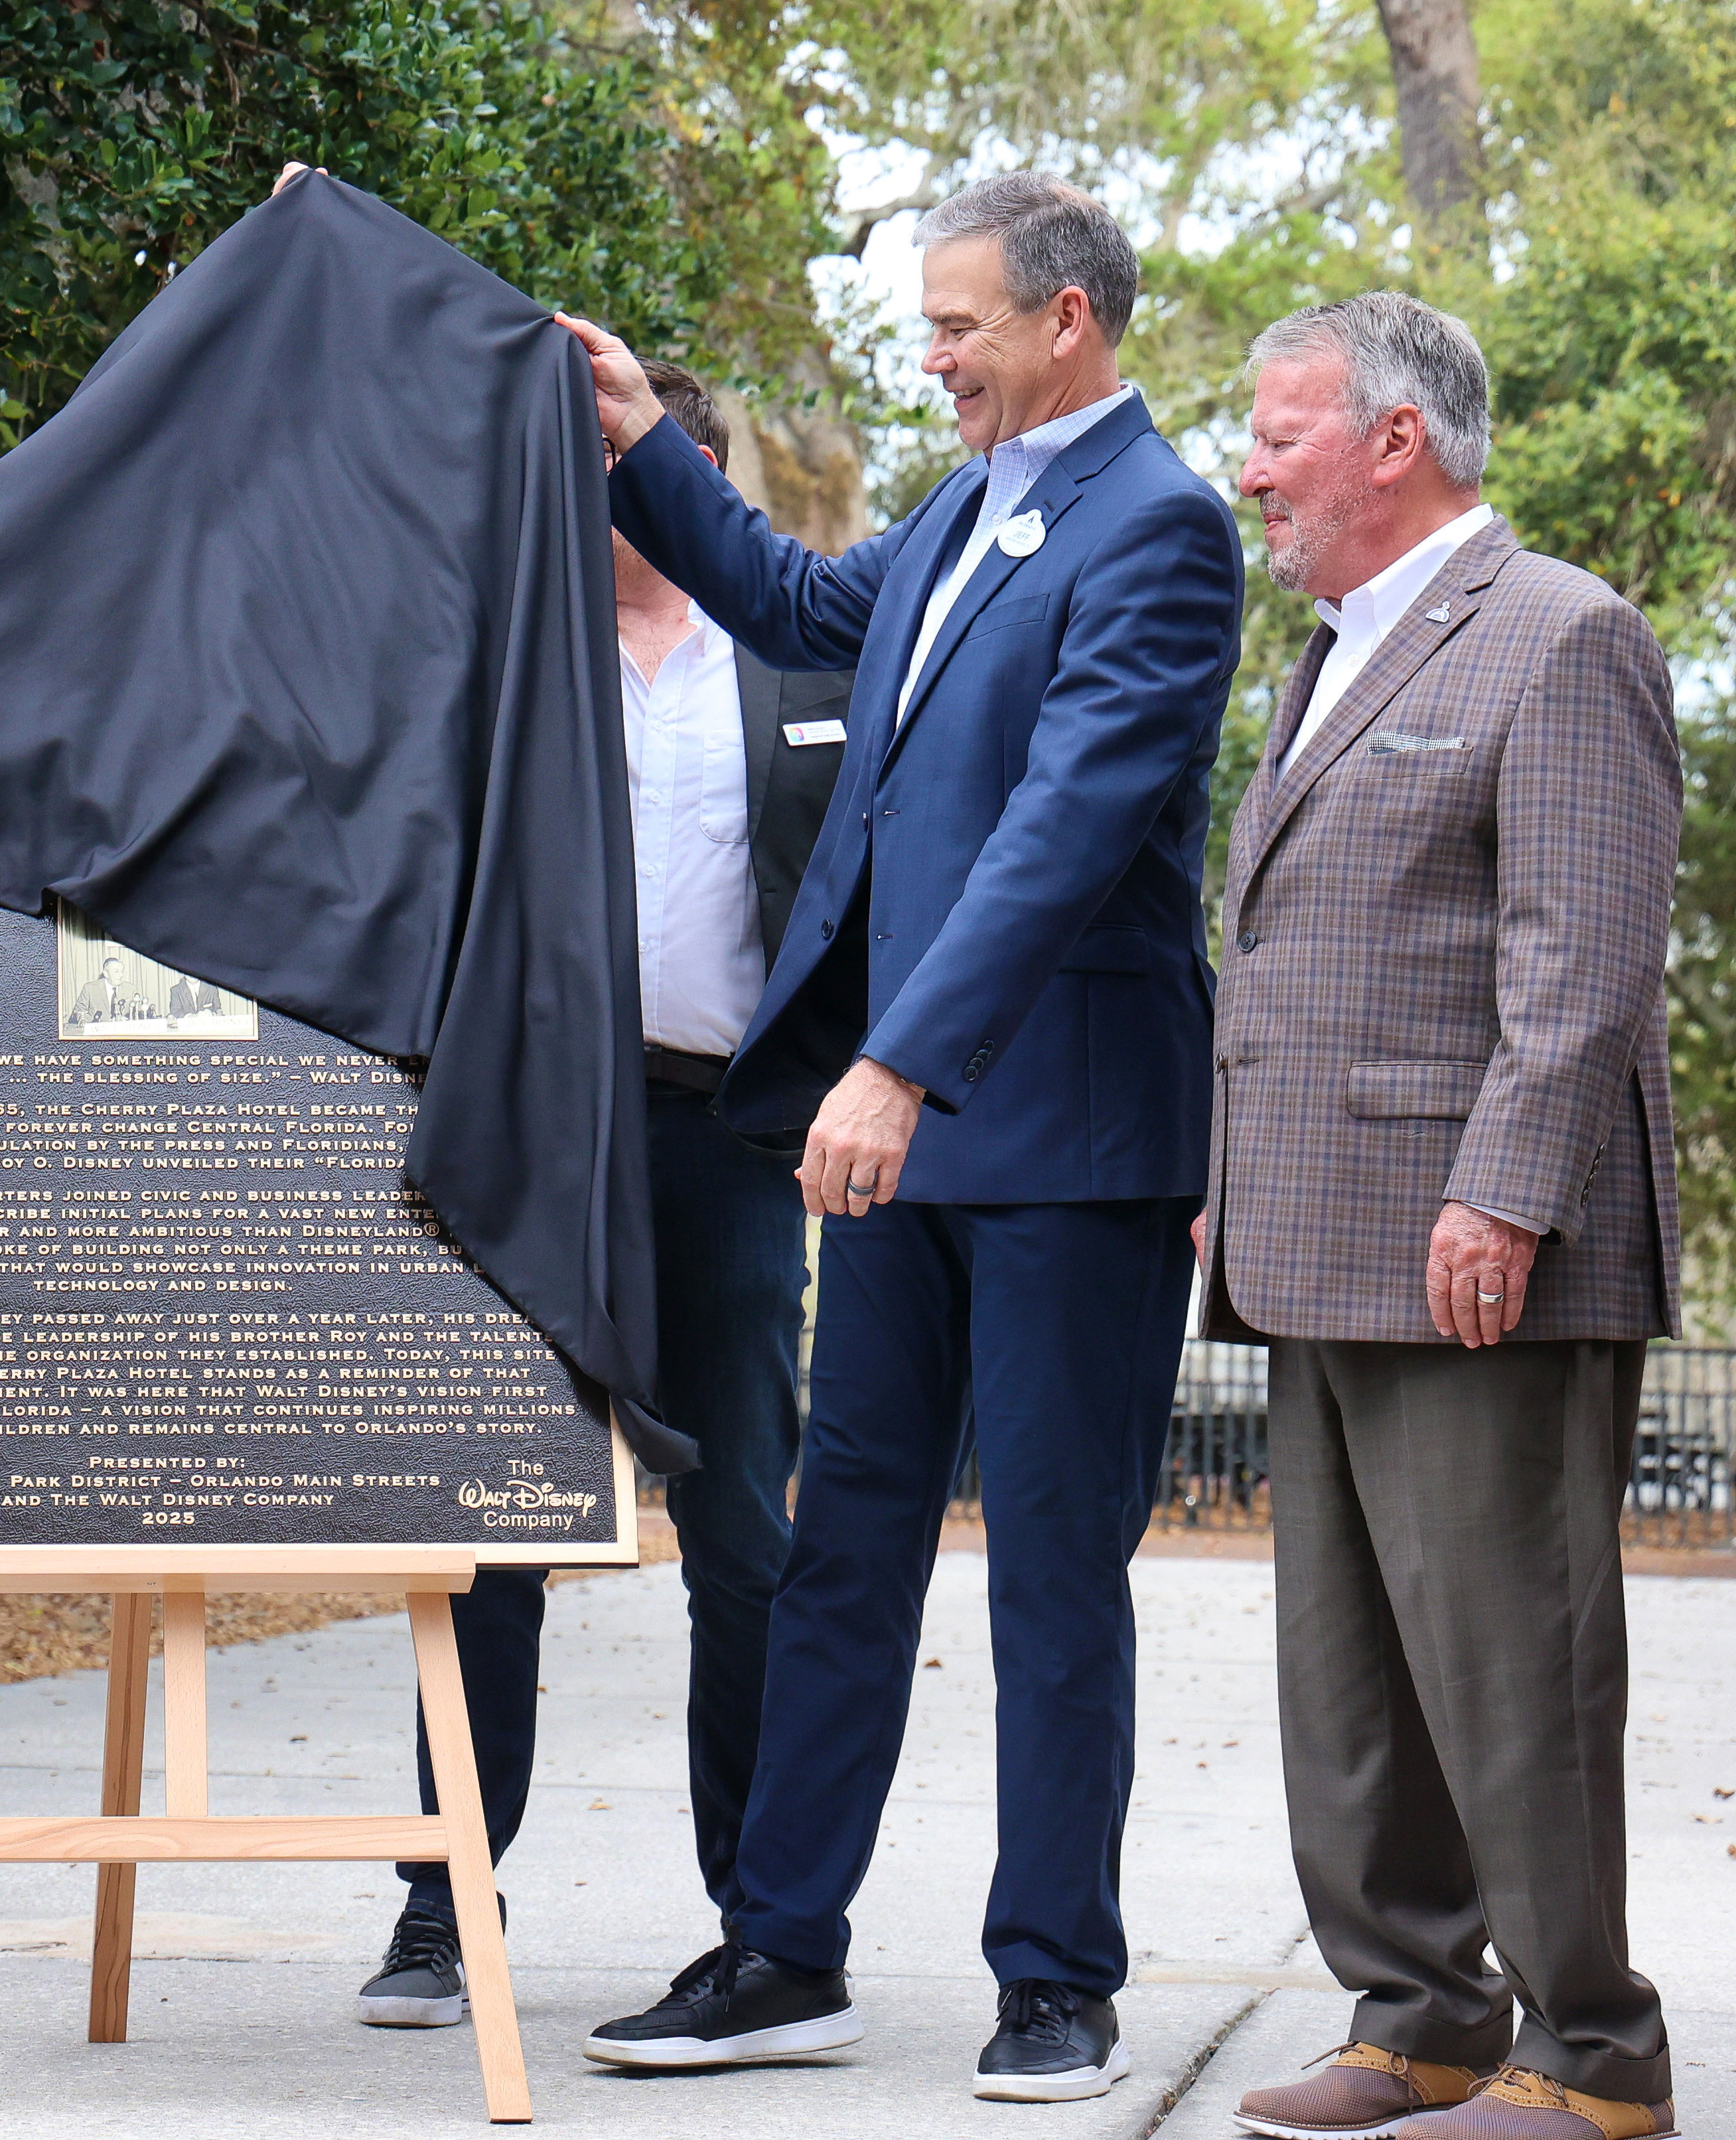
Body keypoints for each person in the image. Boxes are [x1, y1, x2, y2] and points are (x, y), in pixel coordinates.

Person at [563, 173, 1242, 2103]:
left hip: (1062, 1147)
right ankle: (784, 1950)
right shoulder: (964, 503)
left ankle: (1056, 1979)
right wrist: (638, 450)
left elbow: (1065, 835)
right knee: (836, 1552)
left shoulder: (1166, 531)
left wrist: (901, 1063)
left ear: (1069, 322)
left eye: (958, 326)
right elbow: (792, 601)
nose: (929, 356)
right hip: (905, 1148)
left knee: (1047, 1568)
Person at [1208, 296, 1679, 2140]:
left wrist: (1504, 1190)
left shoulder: (1561, 634)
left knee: (1512, 1665)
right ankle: (1416, 2017)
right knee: (1351, 1676)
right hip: (1314, 1236)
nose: (1249, 469)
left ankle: (1592, 2055)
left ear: (1396, 442)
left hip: (1479, 1250)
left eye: (1279, 435)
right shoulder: (1328, 653)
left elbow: (1584, 963)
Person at [355, 360, 850, 2029]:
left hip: (724, 1146)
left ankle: (762, 1915)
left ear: (695, 474)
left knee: (739, 1540)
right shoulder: (507, 663)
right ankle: (440, 1899)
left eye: (628, 458)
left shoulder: (800, 656)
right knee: (487, 1526)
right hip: (529, 1143)